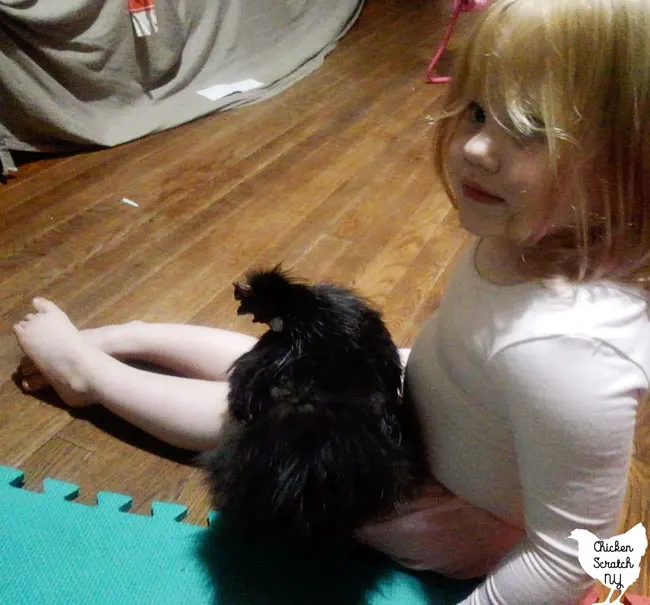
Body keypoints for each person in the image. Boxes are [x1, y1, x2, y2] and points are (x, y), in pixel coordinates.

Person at [12, 0, 650, 602]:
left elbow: (568, 557)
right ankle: (125, 335)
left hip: (451, 510)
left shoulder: (569, 358)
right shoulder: (537, 235)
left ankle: (87, 374)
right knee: (299, 352)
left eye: (535, 129)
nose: (476, 146)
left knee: (267, 429)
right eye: (479, 110)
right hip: (445, 409)